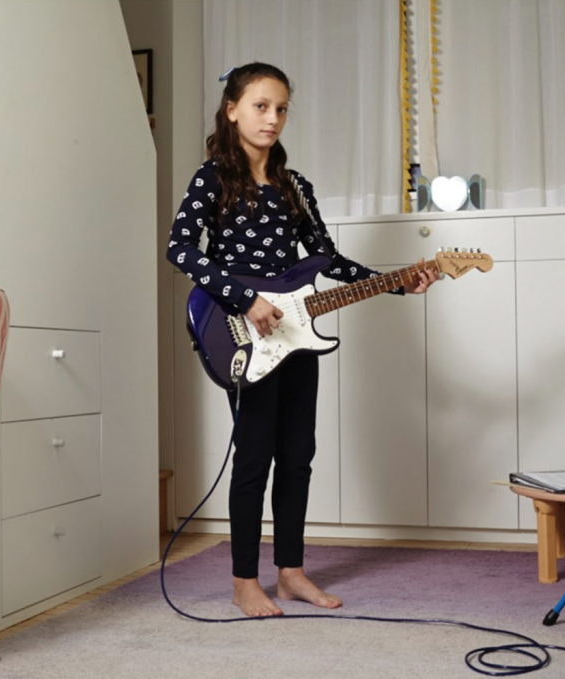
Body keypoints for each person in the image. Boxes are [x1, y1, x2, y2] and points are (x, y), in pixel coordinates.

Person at [168, 62, 438, 617]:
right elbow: (180, 249)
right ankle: (246, 580)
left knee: (298, 458)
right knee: (254, 459)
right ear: (233, 109)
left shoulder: (296, 187)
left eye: (282, 108)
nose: (272, 118)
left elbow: (327, 261)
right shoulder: (212, 178)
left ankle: (290, 572)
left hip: (297, 334)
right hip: (243, 335)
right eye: (261, 106)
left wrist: (398, 284)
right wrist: (244, 299)